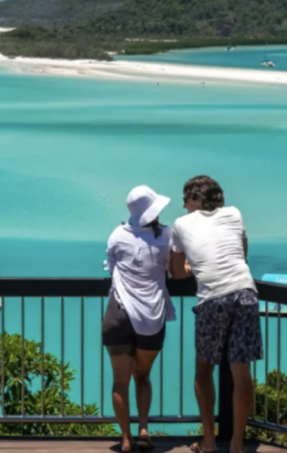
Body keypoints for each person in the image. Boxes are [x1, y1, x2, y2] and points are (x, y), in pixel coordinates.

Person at [169, 175, 261, 453]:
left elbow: (176, 272)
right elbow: (241, 254)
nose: (184, 207)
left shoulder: (181, 225)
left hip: (212, 299)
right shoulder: (234, 213)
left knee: (204, 370)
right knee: (241, 371)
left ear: (195, 199)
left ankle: (208, 441)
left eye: (186, 201)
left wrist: (192, 265)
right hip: (245, 291)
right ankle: (236, 445)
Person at [102, 185, 177, 453]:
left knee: (119, 381)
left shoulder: (118, 234)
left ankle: (125, 439)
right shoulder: (166, 236)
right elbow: (172, 270)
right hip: (151, 317)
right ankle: (144, 430)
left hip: (119, 314)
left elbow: (110, 265)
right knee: (142, 376)